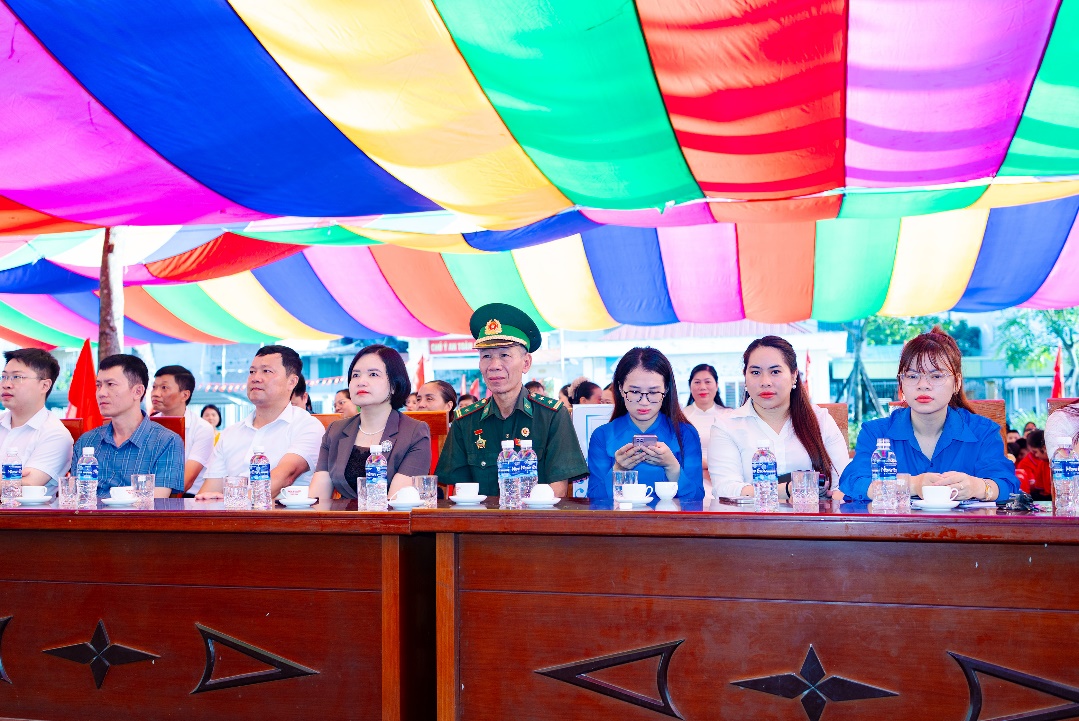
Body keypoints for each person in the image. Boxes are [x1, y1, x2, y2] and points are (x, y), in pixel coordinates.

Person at [839, 328, 1019, 503]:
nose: (923, 385)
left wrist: (976, 487)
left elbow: (1007, 485)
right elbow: (854, 482)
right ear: (901, 382)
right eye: (912, 376)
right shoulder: (876, 433)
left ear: (957, 383)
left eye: (936, 376)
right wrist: (912, 484)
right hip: (897, 525)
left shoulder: (983, 432)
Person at [436, 303, 587, 497]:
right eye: (486, 356)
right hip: (480, 517)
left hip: (537, 517)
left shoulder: (552, 416)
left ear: (526, 363)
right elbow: (460, 491)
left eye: (504, 355)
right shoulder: (465, 421)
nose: (494, 365)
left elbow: (557, 491)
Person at [710, 337, 848, 500]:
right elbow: (725, 489)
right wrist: (788, 489)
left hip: (814, 516)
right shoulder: (726, 426)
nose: (765, 382)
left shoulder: (821, 420)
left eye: (775, 372)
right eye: (755, 372)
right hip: (751, 517)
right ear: (745, 377)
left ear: (794, 375)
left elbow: (844, 484)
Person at [196, 345, 325, 499]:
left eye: (266, 371)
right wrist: (206, 501)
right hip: (232, 512)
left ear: (292, 382)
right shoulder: (230, 433)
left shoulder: (307, 426)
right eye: (252, 372)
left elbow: (285, 477)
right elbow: (208, 492)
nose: (255, 378)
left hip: (282, 513)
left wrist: (236, 502)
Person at [310, 345, 431, 501]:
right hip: (342, 515)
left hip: (390, 515)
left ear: (394, 385)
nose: (361, 382)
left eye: (373, 374)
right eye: (355, 375)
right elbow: (318, 498)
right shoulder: (336, 430)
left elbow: (397, 503)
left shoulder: (415, 432)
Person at [587, 348, 704, 503]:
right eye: (635, 392)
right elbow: (594, 499)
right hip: (620, 519)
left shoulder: (686, 433)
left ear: (666, 389)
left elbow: (697, 499)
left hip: (669, 519)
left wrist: (672, 467)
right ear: (620, 389)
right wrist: (618, 470)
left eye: (653, 392)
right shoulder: (602, 435)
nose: (644, 402)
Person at [71, 354, 184, 497]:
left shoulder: (166, 442)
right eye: (98, 385)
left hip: (140, 512)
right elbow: (76, 497)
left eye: (110, 384)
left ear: (138, 391)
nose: (101, 393)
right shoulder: (86, 441)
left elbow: (157, 501)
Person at [0, 348, 73, 489]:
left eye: (17, 377)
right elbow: (13, 483)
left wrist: (15, 482)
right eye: (4, 376)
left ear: (44, 385)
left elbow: (27, 486)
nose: (6, 384)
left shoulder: (55, 434)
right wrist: (10, 478)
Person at [150, 365, 216, 495]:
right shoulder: (148, 424)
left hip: (188, 497)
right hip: (150, 496)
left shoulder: (202, 429)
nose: (155, 393)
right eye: (154, 387)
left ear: (185, 395)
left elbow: (186, 481)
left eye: (164, 388)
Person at [683, 364, 731, 497]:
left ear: (717, 385)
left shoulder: (729, 416)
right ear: (690, 386)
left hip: (724, 480)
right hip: (690, 479)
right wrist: (707, 467)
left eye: (708, 382)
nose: (702, 387)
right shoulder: (680, 417)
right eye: (697, 382)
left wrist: (711, 470)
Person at [1015, 429, 1051, 499]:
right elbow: (1039, 489)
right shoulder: (1042, 463)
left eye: (1035, 452)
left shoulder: (1059, 462)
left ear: (1045, 448)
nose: (1036, 455)